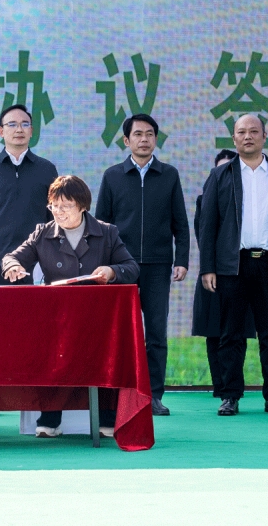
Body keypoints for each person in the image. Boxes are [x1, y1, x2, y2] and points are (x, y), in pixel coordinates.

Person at [2, 175, 139, 438]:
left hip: (96, 317)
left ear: (83, 206)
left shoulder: (107, 232)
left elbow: (131, 267)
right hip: (57, 317)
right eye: (54, 205)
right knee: (49, 356)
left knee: (104, 356)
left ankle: (107, 418)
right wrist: (14, 266)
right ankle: (50, 419)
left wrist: (111, 271)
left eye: (66, 206)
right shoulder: (43, 232)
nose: (59, 212)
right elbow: (11, 257)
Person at [199, 114, 268, 417]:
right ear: (233, 139)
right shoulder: (220, 176)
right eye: (242, 132)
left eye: (254, 131)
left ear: (264, 137)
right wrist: (208, 267)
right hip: (233, 265)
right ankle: (230, 396)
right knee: (231, 334)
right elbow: (208, 225)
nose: (248, 137)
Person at [96, 114, 189, 416]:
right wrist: (103, 265)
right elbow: (101, 225)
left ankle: (153, 396)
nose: (144, 139)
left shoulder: (169, 175)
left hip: (158, 265)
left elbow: (180, 222)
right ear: (126, 140)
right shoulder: (112, 176)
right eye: (138, 134)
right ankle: (120, 396)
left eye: (149, 134)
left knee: (157, 334)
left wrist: (182, 260)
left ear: (156, 139)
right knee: (121, 335)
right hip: (121, 268)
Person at [0, 104, 58, 286]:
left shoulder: (46, 169)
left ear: (31, 131)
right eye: (12, 124)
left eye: (25, 124)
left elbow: (54, 217)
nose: (19, 129)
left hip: (36, 264)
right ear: (1, 131)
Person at [190, 149, 255, 398]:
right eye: (221, 169)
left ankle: (234, 384)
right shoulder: (204, 200)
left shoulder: (249, 200)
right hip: (214, 273)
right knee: (214, 330)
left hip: (242, 272)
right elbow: (203, 237)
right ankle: (220, 386)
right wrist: (211, 268)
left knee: (238, 331)